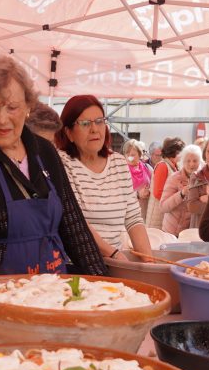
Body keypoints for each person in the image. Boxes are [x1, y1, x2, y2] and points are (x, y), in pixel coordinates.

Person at [0, 60, 106, 343]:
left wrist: (104, 291)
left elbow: (73, 226)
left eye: (12, 107)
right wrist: (1, 316)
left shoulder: (44, 151)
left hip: (54, 297)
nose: (2, 119)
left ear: (28, 106)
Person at [56, 95, 151, 260]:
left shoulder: (118, 163)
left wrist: (149, 262)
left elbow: (133, 218)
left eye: (99, 121)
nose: (94, 129)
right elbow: (74, 220)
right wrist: (113, 254)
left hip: (115, 263)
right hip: (76, 264)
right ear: (69, 132)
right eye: (85, 123)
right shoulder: (61, 163)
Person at [160, 144, 202, 236]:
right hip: (171, 232)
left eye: (195, 161)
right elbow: (163, 207)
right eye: (188, 161)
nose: (191, 164)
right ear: (183, 162)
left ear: (200, 162)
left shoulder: (203, 180)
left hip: (191, 233)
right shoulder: (174, 178)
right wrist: (181, 194)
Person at [144, 137, 184, 230]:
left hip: (166, 214)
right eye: (181, 152)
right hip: (157, 216)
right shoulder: (162, 166)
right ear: (174, 152)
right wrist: (175, 199)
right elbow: (158, 193)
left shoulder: (174, 166)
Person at [123, 138, 152, 218]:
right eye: (127, 154)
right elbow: (119, 194)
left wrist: (149, 191)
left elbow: (154, 185)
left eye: (133, 155)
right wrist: (138, 194)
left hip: (145, 212)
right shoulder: (122, 171)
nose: (130, 157)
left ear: (139, 155)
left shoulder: (147, 168)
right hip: (128, 214)